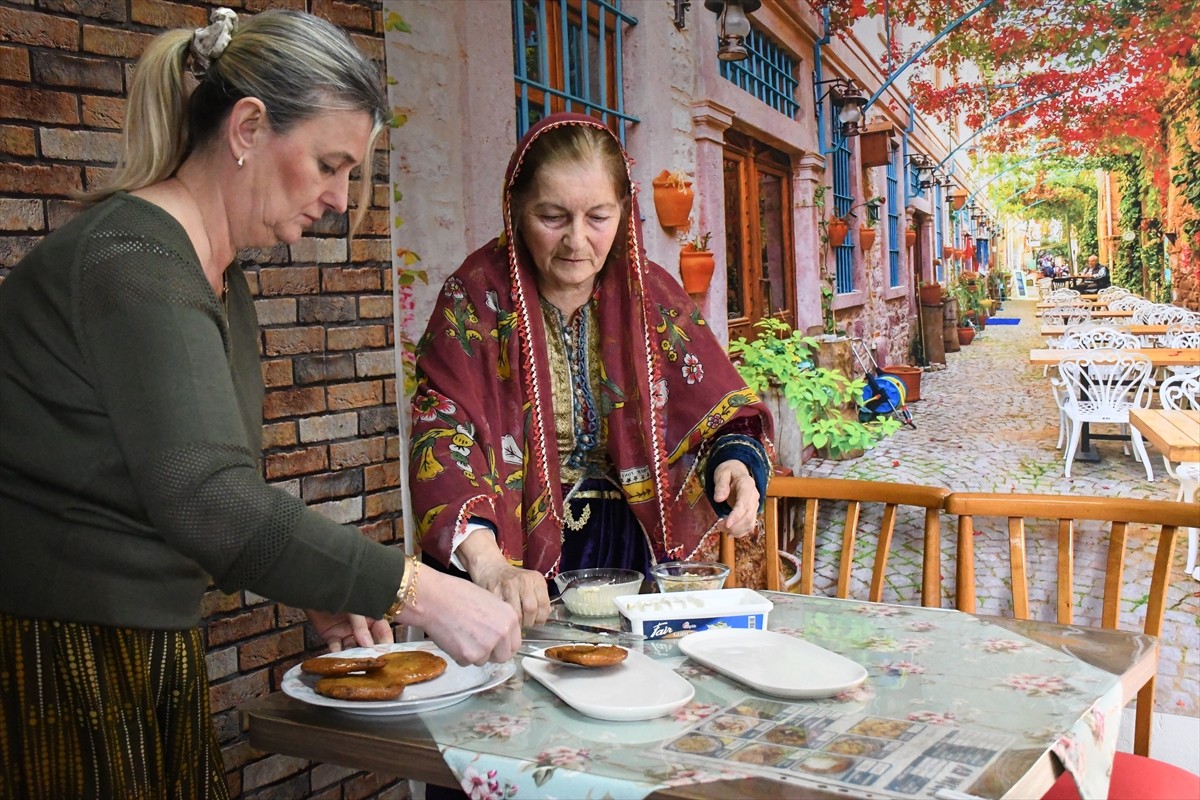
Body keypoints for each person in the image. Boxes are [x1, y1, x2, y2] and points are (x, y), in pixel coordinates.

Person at [0, 9, 520, 799]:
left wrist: (318, 582)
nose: (342, 199)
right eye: (328, 164)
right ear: (247, 127)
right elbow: (209, 504)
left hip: (138, 652)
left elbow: (182, 490)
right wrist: (418, 588)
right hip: (59, 661)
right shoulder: (133, 264)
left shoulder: (215, 275)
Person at [408, 113, 775, 627]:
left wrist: (735, 465)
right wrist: (489, 566)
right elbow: (443, 433)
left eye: (598, 217)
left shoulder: (651, 296)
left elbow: (717, 408)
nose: (577, 242)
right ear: (515, 210)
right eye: (552, 216)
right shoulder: (475, 300)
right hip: (508, 566)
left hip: (629, 560)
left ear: (624, 213)